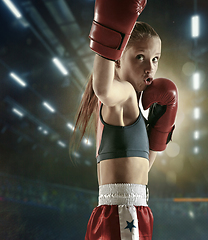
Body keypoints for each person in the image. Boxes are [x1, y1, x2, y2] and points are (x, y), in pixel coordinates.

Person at [70, 0, 178, 239]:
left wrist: (161, 130)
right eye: (140, 56)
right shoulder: (123, 95)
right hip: (123, 211)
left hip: (132, 208)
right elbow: (104, 88)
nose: (150, 68)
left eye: (155, 58)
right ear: (117, 59)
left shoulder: (133, 107)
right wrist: (110, 27)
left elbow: (142, 170)